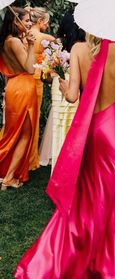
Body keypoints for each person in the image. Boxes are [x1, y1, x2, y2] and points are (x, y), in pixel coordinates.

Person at [14, 34, 115, 278]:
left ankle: (78, 245)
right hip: (112, 133)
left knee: (84, 194)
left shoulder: (79, 49)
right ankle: (103, 259)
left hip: (88, 131)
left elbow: (72, 97)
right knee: (110, 198)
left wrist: (64, 86)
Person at [39, 12, 86, 171]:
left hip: (60, 87)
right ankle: (71, 168)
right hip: (75, 89)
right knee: (74, 128)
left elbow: (43, 76)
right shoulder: (85, 47)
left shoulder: (57, 45)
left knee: (60, 126)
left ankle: (59, 168)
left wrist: (55, 76)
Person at [0, 7, 37, 189]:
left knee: (13, 133)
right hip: (23, 87)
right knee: (23, 135)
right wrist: (30, 46)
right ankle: (8, 178)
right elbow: (29, 68)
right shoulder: (14, 41)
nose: (30, 23)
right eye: (27, 19)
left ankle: (8, 174)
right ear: (16, 21)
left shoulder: (9, 40)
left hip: (14, 87)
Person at [26, 7, 55, 170]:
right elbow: (57, 58)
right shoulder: (47, 38)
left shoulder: (24, 35)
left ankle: (25, 157)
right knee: (33, 119)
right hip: (36, 81)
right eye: (46, 22)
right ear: (40, 21)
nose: (47, 25)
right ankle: (30, 159)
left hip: (21, 79)